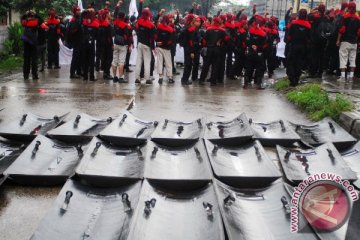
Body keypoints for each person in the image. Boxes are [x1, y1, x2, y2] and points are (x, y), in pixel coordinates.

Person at [286, 9, 311, 87]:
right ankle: (296, 79)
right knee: (299, 63)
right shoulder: (308, 25)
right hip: (303, 47)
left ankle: (292, 79)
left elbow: (289, 36)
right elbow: (309, 38)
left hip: (293, 46)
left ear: (299, 14)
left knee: (291, 62)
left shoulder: (294, 23)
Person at [198, 17, 227, 86]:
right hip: (217, 49)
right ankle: (213, 82)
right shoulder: (223, 30)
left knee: (206, 65)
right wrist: (220, 42)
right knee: (215, 66)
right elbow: (225, 39)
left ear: (214, 21)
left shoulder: (209, 29)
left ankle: (202, 80)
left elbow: (204, 40)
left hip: (209, 48)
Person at [337, 2, 360, 81]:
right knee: (353, 60)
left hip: (345, 42)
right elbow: (359, 32)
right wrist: (358, 41)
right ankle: (351, 77)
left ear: (349, 8)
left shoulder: (345, 17)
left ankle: (343, 77)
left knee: (343, 58)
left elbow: (341, 30)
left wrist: (338, 40)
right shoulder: (358, 18)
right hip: (354, 42)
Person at [244, 15, 267, 89]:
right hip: (259, 53)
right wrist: (257, 47)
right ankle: (258, 84)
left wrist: (251, 46)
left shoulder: (250, 31)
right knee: (259, 68)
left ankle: (246, 83)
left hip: (250, 52)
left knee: (249, 67)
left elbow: (247, 41)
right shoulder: (263, 33)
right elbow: (264, 45)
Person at [135, 7, 156, 84]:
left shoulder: (139, 21)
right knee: (147, 62)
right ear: (148, 15)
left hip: (140, 43)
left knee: (138, 61)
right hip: (147, 45)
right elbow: (152, 38)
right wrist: (153, 48)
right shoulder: (151, 25)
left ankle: (137, 78)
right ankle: (147, 79)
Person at [181, 14, 201, 85]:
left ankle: (184, 79)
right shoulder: (190, 29)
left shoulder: (185, 27)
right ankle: (184, 80)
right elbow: (191, 41)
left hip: (186, 48)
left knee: (188, 64)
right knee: (188, 65)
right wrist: (192, 52)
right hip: (189, 48)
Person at [21, 10, 42, 80]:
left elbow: (21, 19)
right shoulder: (36, 22)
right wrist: (36, 14)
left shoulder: (25, 22)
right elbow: (41, 20)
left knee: (26, 59)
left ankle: (25, 75)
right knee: (34, 59)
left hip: (26, 42)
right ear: (33, 16)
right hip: (33, 42)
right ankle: (34, 75)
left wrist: (25, 14)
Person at [155, 14, 175, 84]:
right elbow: (171, 41)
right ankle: (170, 78)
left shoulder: (158, 26)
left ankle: (160, 78)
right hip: (167, 48)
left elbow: (156, 36)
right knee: (168, 63)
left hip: (159, 47)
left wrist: (158, 42)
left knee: (160, 62)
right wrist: (164, 43)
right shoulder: (170, 29)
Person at [112, 11, 131, 83]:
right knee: (121, 62)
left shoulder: (115, 23)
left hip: (115, 43)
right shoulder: (125, 25)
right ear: (123, 17)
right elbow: (127, 36)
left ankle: (114, 77)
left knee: (114, 61)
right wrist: (129, 45)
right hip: (122, 45)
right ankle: (121, 77)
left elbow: (114, 15)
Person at [82, 7, 99, 81]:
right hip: (91, 43)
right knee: (91, 60)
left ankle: (85, 76)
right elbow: (97, 34)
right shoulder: (95, 23)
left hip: (84, 43)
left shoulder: (84, 22)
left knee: (85, 59)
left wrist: (86, 11)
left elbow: (82, 17)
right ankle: (91, 77)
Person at [68, 5, 83, 79]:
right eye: (78, 11)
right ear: (75, 12)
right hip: (76, 42)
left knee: (79, 58)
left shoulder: (78, 19)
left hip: (79, 41)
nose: (79, 12)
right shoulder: (74, 20)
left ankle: (79, 72)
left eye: (79, 10)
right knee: (75, 58)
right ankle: (72, 73)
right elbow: (73, 31)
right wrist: (79, 26)